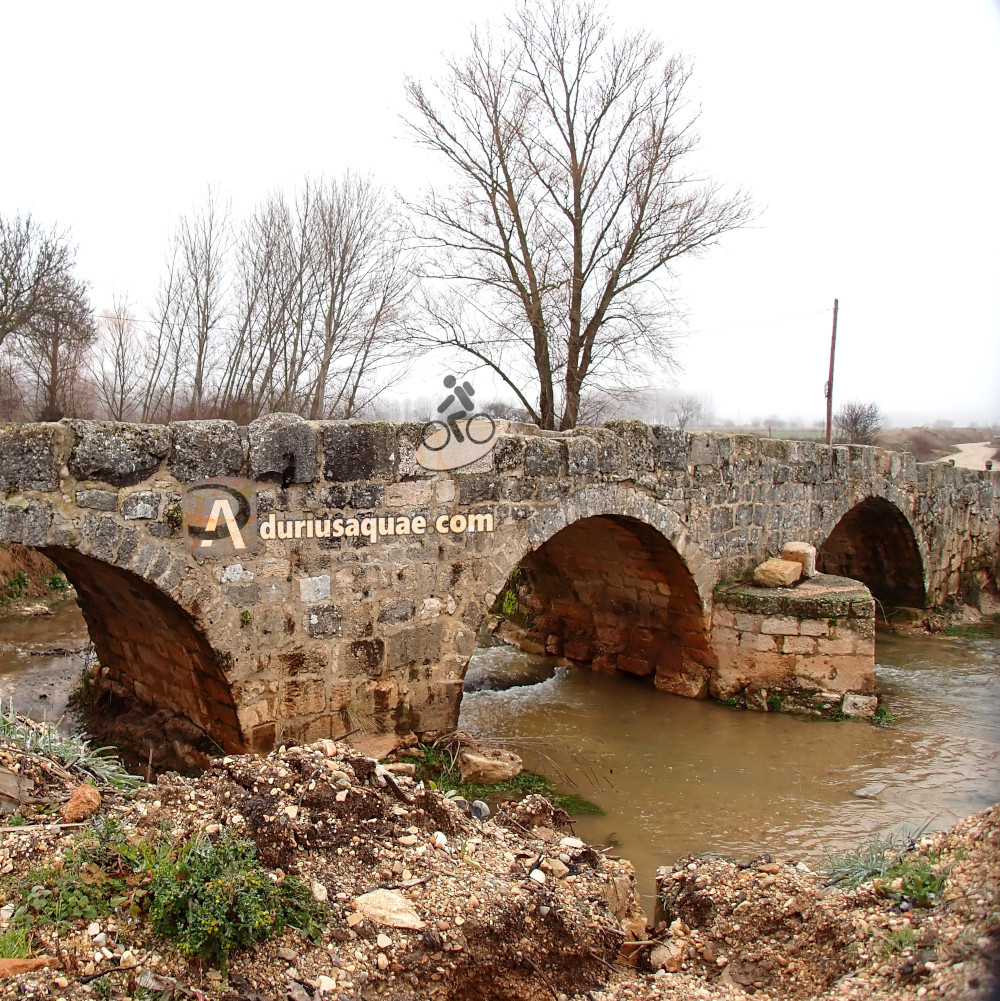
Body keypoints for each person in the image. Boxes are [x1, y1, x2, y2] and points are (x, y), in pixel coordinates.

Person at [436, 375, 476, 442]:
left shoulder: (456, 392)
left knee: (450, 419)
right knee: (450, 419)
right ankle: (459, 438)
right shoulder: (450, 394)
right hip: (460, 410)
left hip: (463, 410)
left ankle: (459, 438)